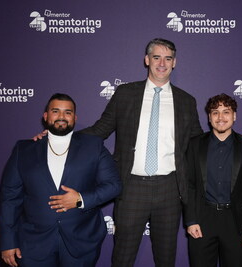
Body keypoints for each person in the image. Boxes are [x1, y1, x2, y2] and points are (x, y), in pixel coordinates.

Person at [81, 38, 203, 266]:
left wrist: (232, 141)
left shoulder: (186, 101)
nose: (162, 63)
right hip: (131, 187)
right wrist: (60, 138)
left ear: (174, 63)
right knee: (122, 257)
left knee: (166, 258)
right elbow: (101, 129)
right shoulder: (126, 93)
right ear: (147, 60)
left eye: (168, 58)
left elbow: (198, 143)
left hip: (170, 188)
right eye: (156, 57)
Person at [0, 93, 122, 267]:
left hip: (81, 241)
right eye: (55, 111)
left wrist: (80, 199)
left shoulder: (93, 146)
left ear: (75, 117)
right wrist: (7, 241)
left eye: (68, 112)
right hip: (33, 243)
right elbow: (10, 198)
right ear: (46, 116)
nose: (62, 117)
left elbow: (114, 186)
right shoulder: (24, 150)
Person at [184, 93, 242, 267]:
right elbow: (189, 185)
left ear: (234, 116)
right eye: (215, 112)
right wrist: (191, 220)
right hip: (203, 220)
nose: (221, 117)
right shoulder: (195, 144)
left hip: (235, 222)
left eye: (226, 112)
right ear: (209, 117)